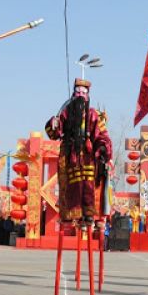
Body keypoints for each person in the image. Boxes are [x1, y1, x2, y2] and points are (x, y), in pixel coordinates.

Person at [45, 77, 113, 224]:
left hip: (87, 155)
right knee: (71, 184)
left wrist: (102, 147)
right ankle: (70, 213)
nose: (81, 94)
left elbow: (102, 135)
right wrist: (54, 123)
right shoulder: (65, 114)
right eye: (78, 91)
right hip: (70, 155)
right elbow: (54, 134)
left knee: (88, 183)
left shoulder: (93, 114)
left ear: (88, 95)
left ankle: (88, 214)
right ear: (74, 94)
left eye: (84, 92)